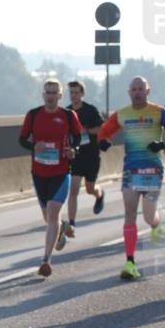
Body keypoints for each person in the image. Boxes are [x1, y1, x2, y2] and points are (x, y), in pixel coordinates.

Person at [98, 77, 165, 279]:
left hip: (152, 170)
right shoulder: (123, 113)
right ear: (129, 92)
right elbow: (104, 131)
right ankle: (130, 263)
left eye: (141, 89)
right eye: (134, 89)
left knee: (147, 216)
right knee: (129, 212)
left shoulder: (159, 112)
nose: (137, 93)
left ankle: (155, 223)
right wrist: (103, 141)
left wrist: (162, 145)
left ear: (148, 90)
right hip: (130, 169)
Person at [18, 78, 82, 277]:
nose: (51, 96)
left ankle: (46, 260)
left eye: (55, 93)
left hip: (61, 172)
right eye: (48, 92)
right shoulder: (34, 114)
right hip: (39, 173)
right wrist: (33, 147)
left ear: (60, 96)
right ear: (43, 94)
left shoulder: (69, 116)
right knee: (48, 218)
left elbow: (78, 138)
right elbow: (21, 139)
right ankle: (62, 227)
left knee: (53, 214)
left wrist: (73, 150)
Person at [65, 80, 106, 236]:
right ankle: (72, 223)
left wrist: (86, 130)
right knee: (73, 189)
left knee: (90, 189)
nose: (74, 96)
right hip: (75, 156)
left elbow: (101, 129)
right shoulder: (67, 112)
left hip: (91, 156)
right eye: (71, 93)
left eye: (76, 92)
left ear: (82, 93)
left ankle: (99, 194)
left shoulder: (90, 110)